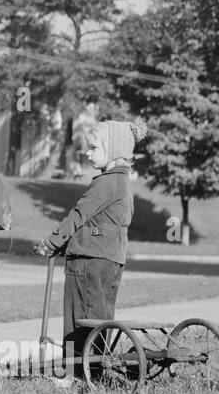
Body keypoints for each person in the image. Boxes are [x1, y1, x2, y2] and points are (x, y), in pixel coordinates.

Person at [33, 117, 148, 374]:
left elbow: (78, 216)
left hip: (89, 258)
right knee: (100, 315)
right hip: (112, 258)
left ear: (114, 150)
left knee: (80, 315)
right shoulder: (124, 184)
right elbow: (107, 223)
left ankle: (77, 372)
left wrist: (51, 242)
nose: (87, 153)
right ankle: (94, 369)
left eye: (94, 147)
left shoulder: (105, 183)